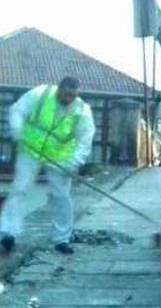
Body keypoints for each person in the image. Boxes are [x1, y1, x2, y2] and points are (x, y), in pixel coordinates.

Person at [0, 77, 95, 255]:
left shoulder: (83, 111)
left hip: (60, 158)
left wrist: (72, 163)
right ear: (58, 88)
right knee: (20, 189)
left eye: (72, 96)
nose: (68, 99)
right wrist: (17, 130)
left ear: (77, 94)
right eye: (65, 94)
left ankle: (62, 238)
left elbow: (85, 141)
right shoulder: (40, 94)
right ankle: (8, 232)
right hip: (30, 149)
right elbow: (17, 111)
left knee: (61, 197)